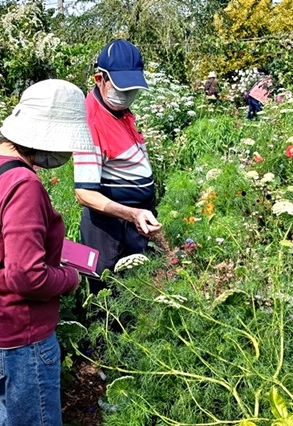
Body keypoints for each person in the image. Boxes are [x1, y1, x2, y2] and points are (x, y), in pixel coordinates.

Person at [0, 79, 94, 426]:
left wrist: (49, 251)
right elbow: (25, 276)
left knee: (10, 414)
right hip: (18, 337)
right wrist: (69, 278)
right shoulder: (25, 186)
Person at [73, 39, 162, 294]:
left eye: (132, 89)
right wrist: (132, 214)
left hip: (134, 220)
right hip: (108, 227)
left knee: (137, 286)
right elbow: (84, 194)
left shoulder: (119, 110)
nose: (127, 96)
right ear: (99, 78)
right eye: (121, 89)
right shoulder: (91, 122)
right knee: (107, 293)